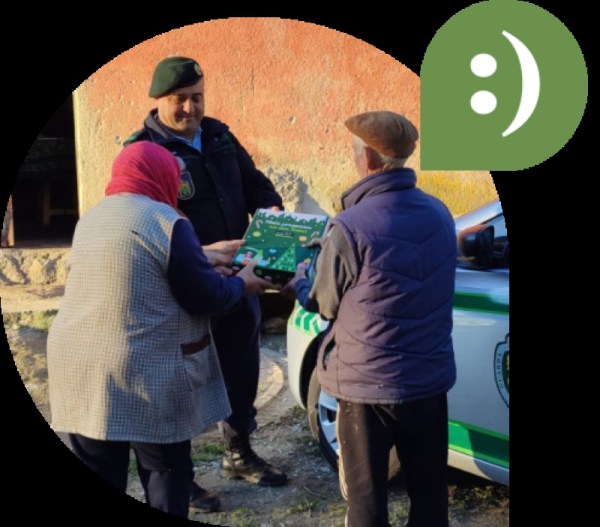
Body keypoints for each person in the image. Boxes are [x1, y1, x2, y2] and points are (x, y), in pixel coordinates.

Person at [46, 141, 276, 519]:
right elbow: (206, 297)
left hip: (78, 367)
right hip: (142, 373)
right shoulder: (167, 220)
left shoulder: (94, 217)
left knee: (100, 467)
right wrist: (244, 281)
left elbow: (139, 260)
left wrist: (203, 254)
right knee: (165, 469)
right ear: (162, 176)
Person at [124, 56, 288, 512]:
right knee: (183, 380)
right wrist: (196, 255)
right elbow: (139, 221)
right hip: (182, 288)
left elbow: (256, 184)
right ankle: (183, 476)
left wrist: (271, 208)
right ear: (159, 100)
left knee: (241, 367)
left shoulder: (219, 135)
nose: (191, 108)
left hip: (237, 279)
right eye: (180, 99)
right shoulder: (144, 150)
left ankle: (239, 452)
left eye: (197, 97)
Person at [283, 111, 457, 527]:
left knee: (366, 502)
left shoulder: (349, 226)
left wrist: (300, 282)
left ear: (369, 160)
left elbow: (324, 304)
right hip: (427, 381)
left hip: (366, 387)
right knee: (430, 497)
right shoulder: (440, 213)